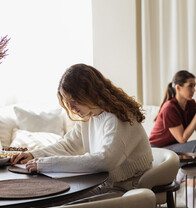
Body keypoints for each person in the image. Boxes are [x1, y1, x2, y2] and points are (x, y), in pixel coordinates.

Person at [11, 64, 153, 199]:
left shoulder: (116, 119)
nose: (71, 107)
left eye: (74, 100)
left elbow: (106, 160)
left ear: (90, 93)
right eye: (68, 102)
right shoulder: (91, 116)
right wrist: (33, 154)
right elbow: (67, 145)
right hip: (106, 186)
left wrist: (47, 164)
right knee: (44, 206)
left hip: (129, 193)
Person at [149, 70, 196, 208]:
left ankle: (181, 174)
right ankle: (187, 192)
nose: (194, 90)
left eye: (194, 86)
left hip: (173, 148)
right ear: (178, 87)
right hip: (158, 150)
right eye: (190, 86)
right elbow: (182, 138)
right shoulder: (170, 108)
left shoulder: (190, 104)